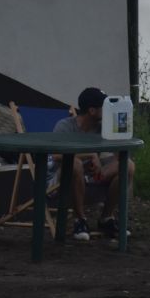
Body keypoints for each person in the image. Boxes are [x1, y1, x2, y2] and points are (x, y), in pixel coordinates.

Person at [53, 87, 134, 241]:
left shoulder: (104, 128)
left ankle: (106, 218)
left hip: (93, 176)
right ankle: (80, 220)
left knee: (127, 165)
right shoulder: (65, 126)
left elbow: (120, 157)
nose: (109, 110)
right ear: (92, 111)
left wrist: (120, 130)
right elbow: (56, 155)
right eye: (105, 107)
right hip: (65, 181)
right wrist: (90, 154)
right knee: (75, 163)